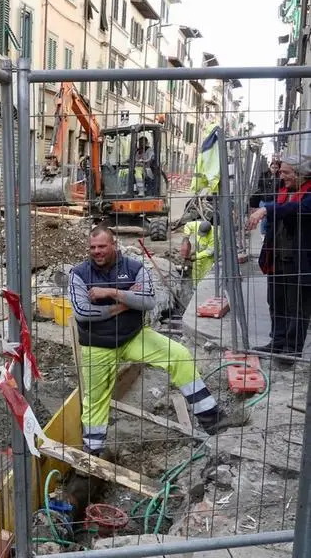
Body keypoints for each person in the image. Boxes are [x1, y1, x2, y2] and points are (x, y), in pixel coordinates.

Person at [69, 225, 236, 456]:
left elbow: (148, 301)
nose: (97, 251)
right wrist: (126, 304)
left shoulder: (134, 268)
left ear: (113, 244)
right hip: (97, 345)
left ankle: (211, 418)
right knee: (95, 400)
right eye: (92, 247)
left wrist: (112, 293)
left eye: (102, 246)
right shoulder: (78, 273)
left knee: (179, 355)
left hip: (134, 336)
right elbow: (82, 312)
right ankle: (93, 451)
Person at [247, 153, 311, 361]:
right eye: (280, 171)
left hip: (299, 260)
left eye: (286, 172)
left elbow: (296, 209)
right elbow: (262, 197)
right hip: (277, 258)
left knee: (297, 307)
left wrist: (266, 210)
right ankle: (277, 342)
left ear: (301, 174)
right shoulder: (283, 190)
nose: (281, 176)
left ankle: (291, 351)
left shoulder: (308, 194)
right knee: (276, 302)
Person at [248, 158, 281, 237]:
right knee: (264, 218)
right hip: (264, 199)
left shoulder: (280, 177)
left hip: (274, 199)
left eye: (276, 168)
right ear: (270, 167)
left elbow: (279, 188)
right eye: (273, 167)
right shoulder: (264, 175)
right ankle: (263, 234)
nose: (274, 169)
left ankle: (270, 233)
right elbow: (260, 186)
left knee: (272, 217)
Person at [180, 220, 216, 286]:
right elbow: (187, 225)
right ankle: (194, 287)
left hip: (208, 258)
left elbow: (209, 251)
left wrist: (196, 257)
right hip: (198, 251)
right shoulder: (196, 224)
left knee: (204, 274)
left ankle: (202, 288)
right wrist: (186, 237)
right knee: (195, 272)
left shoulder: (214, 236)